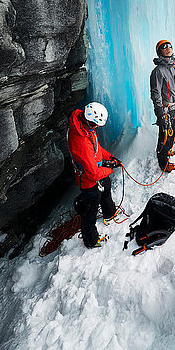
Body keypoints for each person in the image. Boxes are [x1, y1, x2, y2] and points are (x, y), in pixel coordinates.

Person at [67, 102, 122, 248]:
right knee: (89, 212)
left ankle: (109, 214)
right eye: (94, 125)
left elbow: (96, 147)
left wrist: (109, 157)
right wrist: (110, 169)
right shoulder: (81, 141)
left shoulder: (84, 127)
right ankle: (91, 240)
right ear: (89, 121)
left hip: (95, 171)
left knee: (106, 186)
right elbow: (93, 174)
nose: (95, 128)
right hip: (88, 180)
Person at [150, 40, 175, 172]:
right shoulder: (158, 71)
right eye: (164, 47)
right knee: (167, 134)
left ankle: (164, 151)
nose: (167, 48)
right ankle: (163, 162)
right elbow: (156, 93)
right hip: (166, 109)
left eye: (169, 46)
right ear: (160, 52)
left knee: (174, 131)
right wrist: (159, 113)